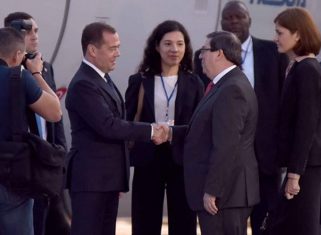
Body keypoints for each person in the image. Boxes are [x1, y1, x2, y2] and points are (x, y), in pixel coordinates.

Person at [194, 1, 288, 233]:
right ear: (221, 21)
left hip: (265, 155)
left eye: (239, 17)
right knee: (229, 219)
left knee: (265, 220)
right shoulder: (205, 58)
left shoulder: (272, 53)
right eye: (228, 17)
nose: (234, 21)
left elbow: (283, 103)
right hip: (225, 155)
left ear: (249, 20)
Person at [65, 22, 167, 235]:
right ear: (92, 50)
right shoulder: (84, 83)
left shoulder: (101, 78)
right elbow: (108, 125)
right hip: (91, 182)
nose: (118, 53)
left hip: (106, 181)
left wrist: (117, 176)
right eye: (112, 48)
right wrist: (151, 130)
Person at [171, 30, 259, 235]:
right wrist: (171, 133)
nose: (200, 56)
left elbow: (226, 145)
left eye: (205, 50)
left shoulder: (231, 89)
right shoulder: (225, 84)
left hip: (225, 195)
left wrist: (213, 190)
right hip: (227, 193)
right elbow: (208, 130)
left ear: (219, 53)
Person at [125, 20, 204, 235]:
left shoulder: (194, 82)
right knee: (145, 222)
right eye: (168, 44)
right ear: (157, 47)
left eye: (180, 44)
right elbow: (127, 123)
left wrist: (172, 133)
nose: (174, 50)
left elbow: (199, 127)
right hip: (148, 159)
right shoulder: (139, 81)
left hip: (183, 161)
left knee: (184, 223)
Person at [4, 12, 69, 235]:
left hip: (38, 166)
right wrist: (35, 74)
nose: (34, 36)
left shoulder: (44, 67)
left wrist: (58, 156)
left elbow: (54, 125)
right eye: (27, 30)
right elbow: (54, 111)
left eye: (37, 31)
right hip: (16, 170)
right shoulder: (21, 76)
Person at [272, 7, 321, 235]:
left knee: (303, 227)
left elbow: (307, 125)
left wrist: (294, 174)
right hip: (302, 166)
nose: (275, 38)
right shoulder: (298, 68)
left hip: (307, 167)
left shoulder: (308, 70)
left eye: (280, 32)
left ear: (299, 35)